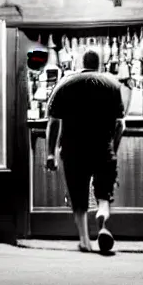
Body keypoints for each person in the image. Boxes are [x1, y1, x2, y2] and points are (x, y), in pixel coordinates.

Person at [45, 49, 126, 253]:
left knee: (78, 196)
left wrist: (50, 154)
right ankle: (102, 211)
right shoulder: (112, 84)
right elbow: (120, 125)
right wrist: (112, 148)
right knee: (104, 192)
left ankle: (84, 240)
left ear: (80, 62)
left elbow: (54, 122)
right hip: (102, 148)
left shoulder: (65, 82)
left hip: (73, 149)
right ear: (98, 64)